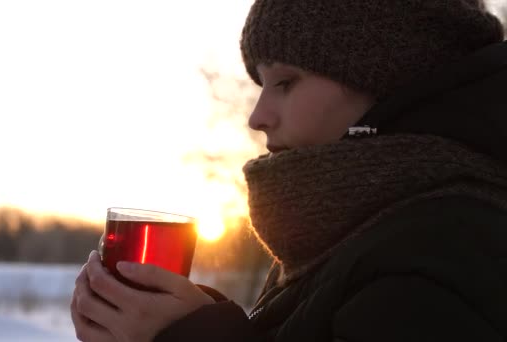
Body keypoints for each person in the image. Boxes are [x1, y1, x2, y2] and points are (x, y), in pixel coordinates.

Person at [71, 0, 507, 341]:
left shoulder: (444, 241)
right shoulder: (354, 225)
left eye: (285, 83)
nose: (257, 116)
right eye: (261, 86)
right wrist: (191, 323)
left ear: (384, 79)